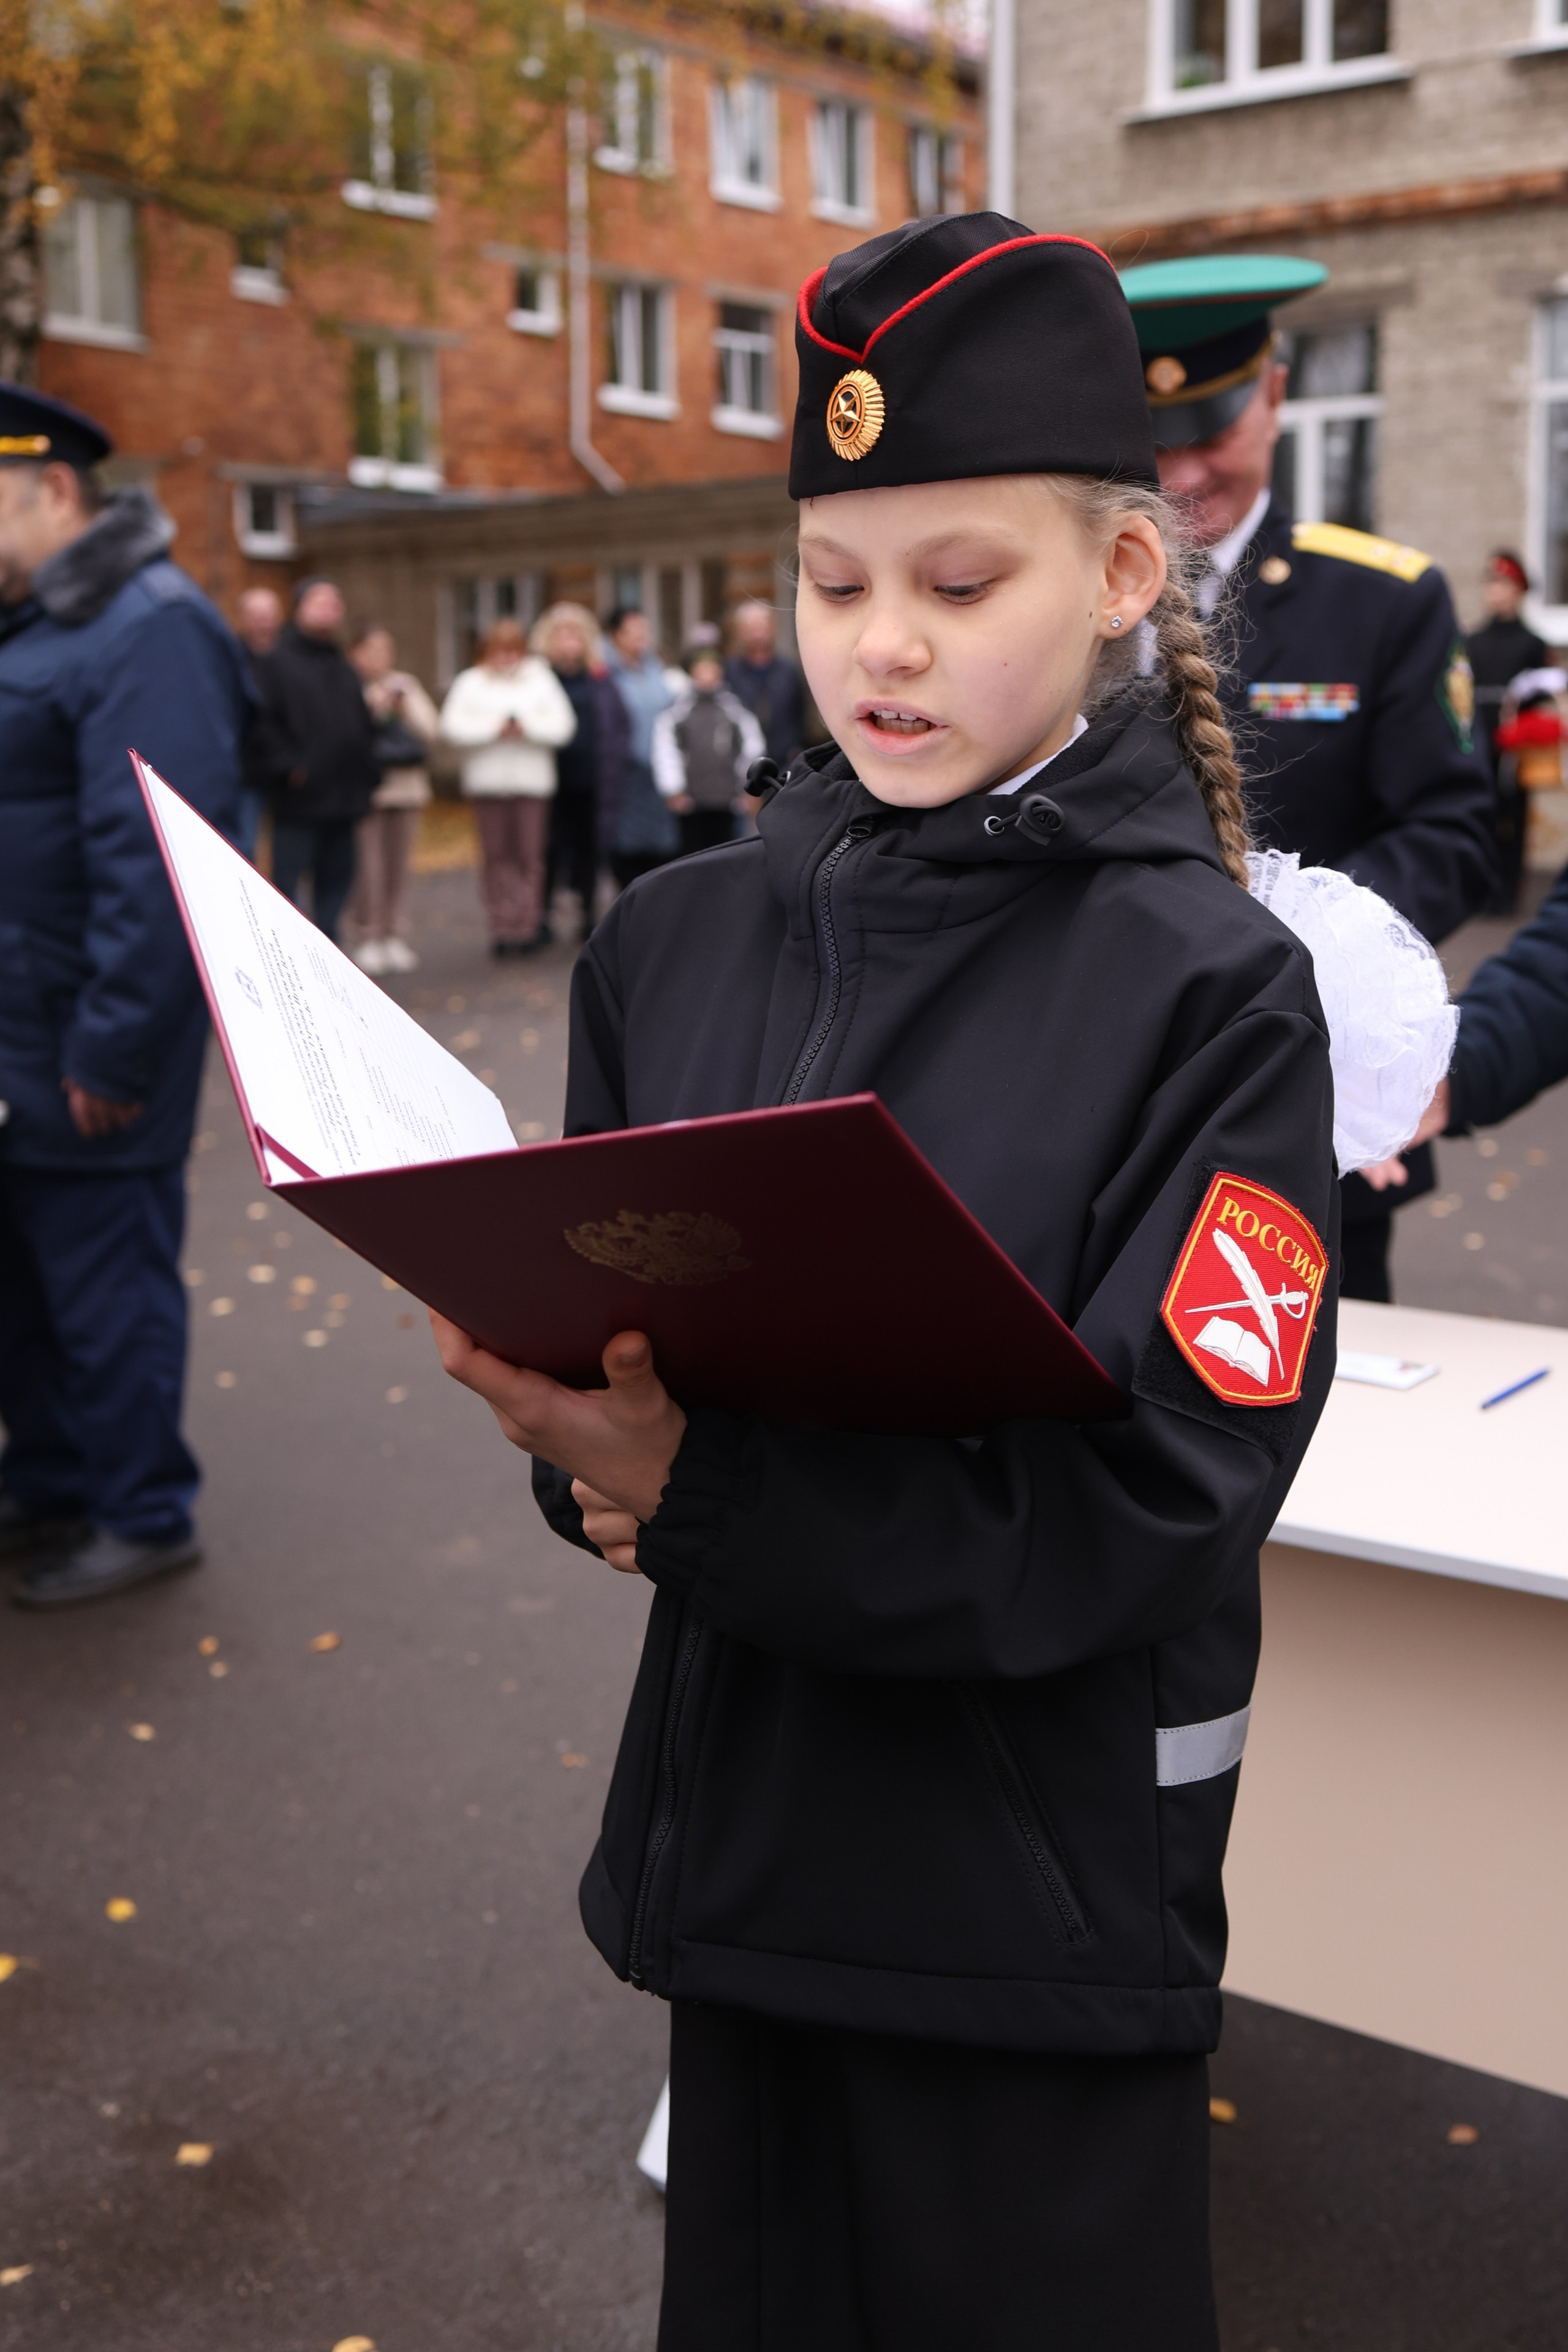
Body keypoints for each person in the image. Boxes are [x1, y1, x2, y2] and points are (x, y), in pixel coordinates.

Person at [428, 214, 1338, 2348]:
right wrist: (590, 1462)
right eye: (834, 586)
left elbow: (1163, 1502)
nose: (879, 653)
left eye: (957, 586)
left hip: (1023, 1900)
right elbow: (618, 1359)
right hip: (751, 1859)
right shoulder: (680, 937)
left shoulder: (1212, 995)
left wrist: (701, 1489)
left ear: (1123, 576)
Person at [1120, 253, 1496, 1303]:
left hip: (1316, 1093)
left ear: (1276, 396)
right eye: (1155, 445)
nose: (1185, 477)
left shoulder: (1383, 599)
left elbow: (1452, 833)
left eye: (1212, 434)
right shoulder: (1073, 603)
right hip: (1106, 1101)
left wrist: (1299, 953)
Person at [0, 384, 249, 1606]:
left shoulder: (145, 626)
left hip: (83, 1043)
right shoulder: (35, 627)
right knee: (29, 1289)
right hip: (18, 1038)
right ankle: (51, 1484)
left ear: (51, 487)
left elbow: (163, 862)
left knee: (103, 1288)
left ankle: (144, 1510)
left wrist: (112, 1049)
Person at [249, 577, 378, 941]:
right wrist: (289, 767)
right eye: (320, 601)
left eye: (335, 602)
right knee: (287, 889)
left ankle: (329, 958)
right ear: (299, 608)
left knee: (337, 885)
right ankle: (286, 956)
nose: (329, 608)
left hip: (345, 798)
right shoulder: (276, 661)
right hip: (299, 799)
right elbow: (261, 723)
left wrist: (368, 774)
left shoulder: (342, 664)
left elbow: (359, 724)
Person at [439, 617, 576, 956]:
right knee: (496, 859)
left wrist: (526, 727)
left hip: (531, 785)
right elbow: (452, 726)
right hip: (488, 785)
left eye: (510, 651)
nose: (504, 659)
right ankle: (502, 926)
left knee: (529, 857)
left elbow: (563, 726)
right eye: (498, 652)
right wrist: (494, 729)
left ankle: (527, 926)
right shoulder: (471, 682)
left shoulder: (540, 680)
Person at [533, 602, 631, 944]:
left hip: (592, 778)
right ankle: (540, 917)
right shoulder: (538, 678)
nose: (569, 641)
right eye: (561, 634)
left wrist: (614, 762)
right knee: (548, 850)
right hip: (549, 779)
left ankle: (588, 915)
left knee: (590, 849)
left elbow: (619, 724)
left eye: (575, 634)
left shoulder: (600, 678)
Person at [346, 623, 439, 975]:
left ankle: (392, 932)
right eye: (369, 650)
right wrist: (374, 708)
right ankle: (367, 933)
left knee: (398, 867)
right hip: (368, 791)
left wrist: (403, 709)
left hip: (407, 789)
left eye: (384, 650)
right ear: (355, 653)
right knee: (368, 868)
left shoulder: (406, 684)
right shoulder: (349, 685)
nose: (378, 658)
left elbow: (432, 730)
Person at [1466, 552, 1551, 913]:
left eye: (1502, 584)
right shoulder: (1473, 640)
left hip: (1514, 742)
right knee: (1480, 814)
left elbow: (1541, 694)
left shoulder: (1531, 642)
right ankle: (1481, 890)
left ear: (1518, 591)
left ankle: (1508, 894)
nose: (1494, 591)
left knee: (1512, 817)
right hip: (1481, 735)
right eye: (1491, 583)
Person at [652, 643, 764, 857]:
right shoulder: (678, 710)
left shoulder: (735, 708)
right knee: (691, 856)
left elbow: (752, 747)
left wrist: (749, 788)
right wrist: (673, 788)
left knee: (728, 857)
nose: (707, 675)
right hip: (691, 802)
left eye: (712, 668)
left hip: (729, 801)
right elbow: (666, 750)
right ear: (691, 672)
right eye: (701, 668)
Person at [604, 606, 679, 888]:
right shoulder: (605, 673)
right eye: (632, 631)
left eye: (643, 631)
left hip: (657, 774)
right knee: (625, 849)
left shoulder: (655, 668)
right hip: (623, 775)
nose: (641, 637)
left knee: (658, 849)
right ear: (615, 636)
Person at [723, 597, 807, 772]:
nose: (758, 635)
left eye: (762, 627)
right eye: (751, 629)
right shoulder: (730, 672)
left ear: (773, 628)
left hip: (785, 762)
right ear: (740, 632)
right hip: (742, 767)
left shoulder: (788, 670)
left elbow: (800, 714)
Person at [234, 585, 284, 859]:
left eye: (268, 615)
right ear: (243, 618)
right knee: (245, 846)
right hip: (247, 771)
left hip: (289, 772)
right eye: (256, 615)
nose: (263, 622)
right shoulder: (232, 658)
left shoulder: (290, 658)